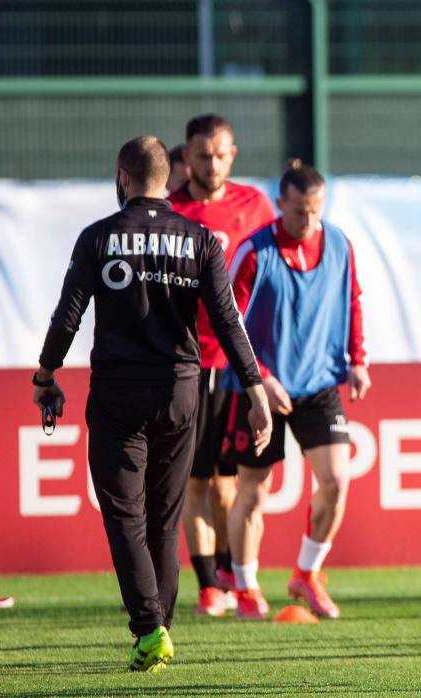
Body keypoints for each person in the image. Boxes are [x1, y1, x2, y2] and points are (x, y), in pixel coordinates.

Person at [31, 135, 272, 671]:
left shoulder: (98, 238)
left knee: (124, 514)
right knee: (164, 516)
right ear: (172, 174)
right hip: (183, 389)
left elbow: (66, 318)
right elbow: (227, 321)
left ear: (122, 177)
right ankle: (160, 627)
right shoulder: (202, 239)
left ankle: (149, 628)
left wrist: (46, 375)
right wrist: (255, 390)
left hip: (119, 390)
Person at [222, 160, 371, 620]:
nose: (308, 221)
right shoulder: (255, 251)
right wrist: (261, 378)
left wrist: (358, 361)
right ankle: (246, 587)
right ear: (281, 203)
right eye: (298, 212)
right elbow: (230, 324)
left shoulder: (340, 244)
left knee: (336, 482)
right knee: (253, 491)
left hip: (320, 383)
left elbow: (353, 301)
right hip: (258, 390)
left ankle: (306, 574)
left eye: (315, 211)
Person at [169, 114, 277, 617]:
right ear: (185, 157)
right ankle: (209, 583)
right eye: (201, 155)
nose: (211, 164)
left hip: (239, 364)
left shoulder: (254, 205)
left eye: (220, 154)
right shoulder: (168, 213)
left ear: (232, 154)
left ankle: (235, 571)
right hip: (187, 363)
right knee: (194, 479)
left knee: (229, 480)